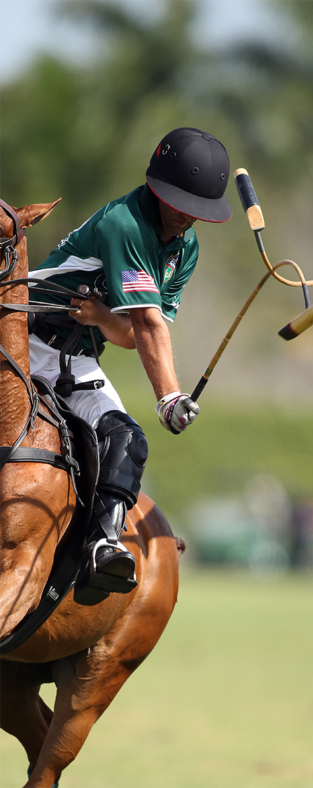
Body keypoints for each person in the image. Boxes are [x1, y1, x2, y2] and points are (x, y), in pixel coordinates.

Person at [28, 127, 232, 606]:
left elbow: (132, 334)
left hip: (73, 358)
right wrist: (170, 397)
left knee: (127, 438)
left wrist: (101, 317)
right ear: (156, 186)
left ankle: (102, 546)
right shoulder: (124, 222)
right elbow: (146, 322)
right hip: (22, 336)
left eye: (197, 209)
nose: (185, 216)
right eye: (179, 202)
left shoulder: (186, 248)